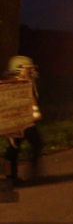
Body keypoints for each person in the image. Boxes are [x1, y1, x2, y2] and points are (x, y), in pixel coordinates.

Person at [4, 56, 43, 184]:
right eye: (28, 69)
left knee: (33, 144)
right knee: (13, 150)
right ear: (19, 69)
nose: (31, 71)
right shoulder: (11, 85)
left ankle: (30, 172)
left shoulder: (26, 83)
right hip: (16, 122)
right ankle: (11, 177)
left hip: (26, 121)